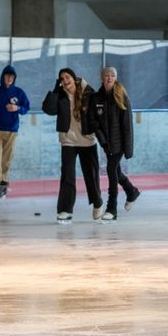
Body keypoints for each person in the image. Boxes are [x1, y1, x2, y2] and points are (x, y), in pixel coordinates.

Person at [41, 68, 103, 224]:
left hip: (87, 141)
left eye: (67, 77)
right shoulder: (60, 95)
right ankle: (65, 210)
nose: (65, 80)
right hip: (68, 141)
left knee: (91, 175)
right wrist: (56, 89)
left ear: (74, 78)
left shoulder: (88, 92)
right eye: (62, 79)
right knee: (67, 175)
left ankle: (97, 203)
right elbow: (48, 109)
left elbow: (98, 113)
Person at [92, 66, 141, 222]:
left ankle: (112, 209)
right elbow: (94, 123)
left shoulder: (121, 96)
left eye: (112, 75)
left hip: (119, 143)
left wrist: (128, 149)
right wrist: (103, 141)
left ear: (115, 78)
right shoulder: (96, 98)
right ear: (102, 78)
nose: (109, 78)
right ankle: (131, 191)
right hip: (107, 144)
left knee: (111, 169)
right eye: (106, 75)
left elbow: (127, 125)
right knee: (116, 172)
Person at [0, 64, 30, 199]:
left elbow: (26, 108)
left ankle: (3, 184)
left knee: (7, 159)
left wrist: (17, 108)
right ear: (2, 77)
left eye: (12, 76)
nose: (9, 78)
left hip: (12, 131)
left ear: (14, 78)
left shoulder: (19, 93)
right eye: (7, 75)